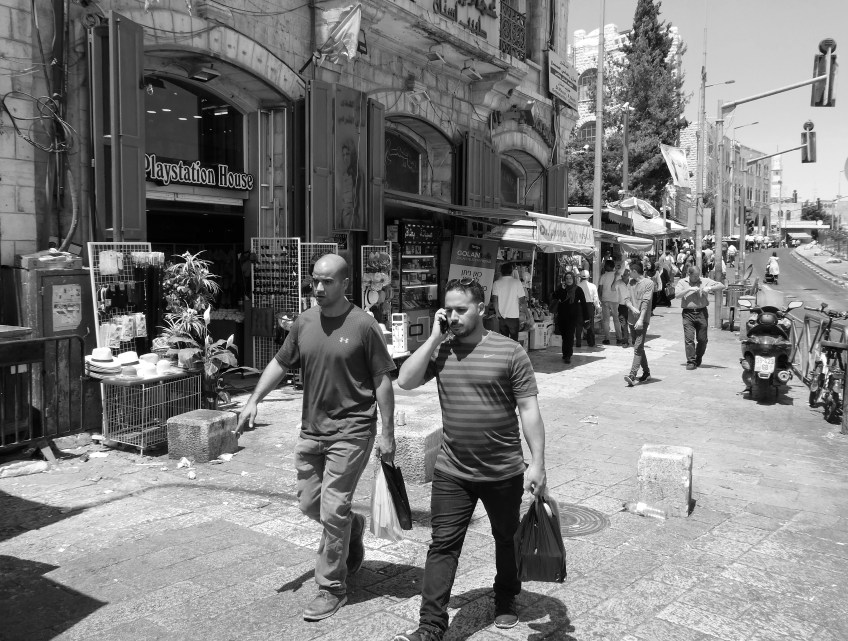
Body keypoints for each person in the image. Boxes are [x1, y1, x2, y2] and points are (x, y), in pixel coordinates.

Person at [236, 254, 396, 622]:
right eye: (315, 281)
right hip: (312, 430)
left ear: (345, 284)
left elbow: (382, 381)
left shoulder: (363, 325)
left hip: (352, 430)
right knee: (311, 504)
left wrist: (388, 434)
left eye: (327, 281)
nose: (319, 288)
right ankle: (352, 528)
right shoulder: (304, 322)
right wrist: (253, 400)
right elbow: (280, 362)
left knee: (333, 508)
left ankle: (332, 587)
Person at [393, 277, 547, 641]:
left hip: (502, 470)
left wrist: (538, 462)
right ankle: (431, 625)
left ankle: (506, 596)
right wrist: (433, 338)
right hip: (452, 470)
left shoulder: (510, 351)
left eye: (461, 309)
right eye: (448, 310)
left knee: (505, 537)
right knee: (443, 545)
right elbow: (405, 380)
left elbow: (528, 409)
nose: (453, 316)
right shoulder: (441, 350)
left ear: (481, 308)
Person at [675, 265, 726, 369]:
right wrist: (689, 290)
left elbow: (721, 285)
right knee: (689, 339)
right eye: (694, 276)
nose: (697, 278)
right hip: (688, 313)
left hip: (701, 312)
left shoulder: (704, 281)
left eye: (698, 276)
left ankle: (698, 357)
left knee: (702, 339)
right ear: (689, 275)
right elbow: (677, 295)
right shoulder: (682, 282)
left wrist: (710, 288)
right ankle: (691, 361)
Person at [623, 261, 655, 386]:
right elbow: (626, 299)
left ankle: (632, 374)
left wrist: (641, 319)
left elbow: (646, 302)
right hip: (631, 320)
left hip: (642, 320)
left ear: (634, 271)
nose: (627, 273)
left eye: (629, 271)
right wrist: (631, 307)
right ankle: (646, 372)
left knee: (637, 347)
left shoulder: (649, 283)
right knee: (638, 347)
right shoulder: (630, 283)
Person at [551, 271, 586, 363]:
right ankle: (565, 353)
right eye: (567, 278)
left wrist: (586, 318)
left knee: (570, 336)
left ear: (573, 279)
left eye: (570, 278)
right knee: (564, 335)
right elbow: (555, 296)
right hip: (562, 316)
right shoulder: (562, 288)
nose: (568, 280)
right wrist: (562, 289)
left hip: (572, 316)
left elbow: (583, 303)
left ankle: (568, 355)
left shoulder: (578, 290)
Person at [490, 263, 528, 340]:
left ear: (501, 271)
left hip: (502, 316)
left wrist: (497, 312)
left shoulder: (496, 283)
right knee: (514, 340)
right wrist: (527, 313)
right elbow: (522, 301)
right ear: (511, 271)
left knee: (504, 340)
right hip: (513, 316)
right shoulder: (517, 282)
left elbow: (495, 300)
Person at [598, 260, 623, 345]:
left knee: (606, 320)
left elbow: (600, 289)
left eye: (605, 265)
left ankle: (607, 339)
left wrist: (600, 299)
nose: (604, 266)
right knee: (616, 319)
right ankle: (619, 338)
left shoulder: (603, 276)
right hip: (615, 300)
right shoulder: (618, 276)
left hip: (605, 299)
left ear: (609, 266)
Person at [578, 269, 601, 347]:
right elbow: (596, 298)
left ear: (580, 277)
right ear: (589, 277)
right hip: (589, 306)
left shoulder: (578, 286)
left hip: (579, 305)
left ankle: (578, 342)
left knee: (579, 324)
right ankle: (591, 342)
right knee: (590, 324)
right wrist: (598, 307)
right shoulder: (593, 286)